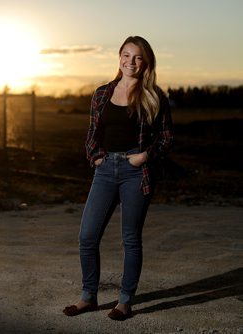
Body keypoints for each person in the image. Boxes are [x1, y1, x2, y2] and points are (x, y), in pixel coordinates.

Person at [63, 36, 173, 321]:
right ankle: (88, 297)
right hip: (105, 170)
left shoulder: (155, 96)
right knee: (87, 236)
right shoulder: (101, 93)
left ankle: (125, 301)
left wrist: (145, 156)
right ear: (119, 57)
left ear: (146, 62)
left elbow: (166, 137)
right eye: (126, 55)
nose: (131, 62)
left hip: (136, 171)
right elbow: (92, 133)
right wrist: (96, 156)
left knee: (130, 239)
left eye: (137, 57)